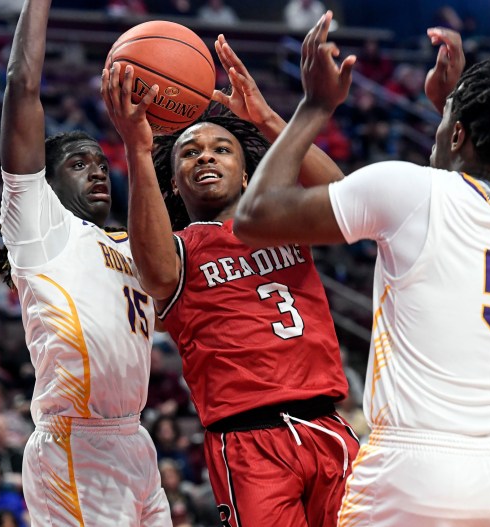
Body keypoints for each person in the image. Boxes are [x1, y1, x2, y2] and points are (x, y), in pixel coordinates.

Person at [234, 12, 490, 526]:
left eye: (444, 122)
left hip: (418, 474)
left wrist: (313, 106)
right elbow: (470, 190)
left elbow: (254, 218)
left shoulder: (407, 190)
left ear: (457, 135)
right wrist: (456, 110)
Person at [102, 32, 360, 526]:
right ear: (174, 182)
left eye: (222, 148)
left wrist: (265, 120)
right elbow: (156, 278)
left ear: (246, 175)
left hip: (328, 426)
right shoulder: (178, 247)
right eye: (188, 153)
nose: (204, 156)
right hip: (247, 442)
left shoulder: (280, 219)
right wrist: (138, 150)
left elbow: (350, 198)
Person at [0, 0, 171, 524]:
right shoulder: (41, 226)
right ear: (46, 184)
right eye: (78, 163)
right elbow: (22, 85)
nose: (97, 172)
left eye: (100, 162)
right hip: (76, 441)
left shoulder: (130, 246)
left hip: (135, 440)